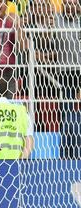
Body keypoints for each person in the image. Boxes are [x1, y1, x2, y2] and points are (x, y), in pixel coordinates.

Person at [0, 76, 34, 159]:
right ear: (8, 91)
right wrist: (22, 160)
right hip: (15, 163)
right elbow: (29, 140)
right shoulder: (21, 111)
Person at [55, 0, 81, 159]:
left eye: (74, 3)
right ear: (63, 5)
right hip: (64, 73)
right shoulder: (56, 19)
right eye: (67, 3)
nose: (70, 6)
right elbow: (46, 39)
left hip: (80, 72)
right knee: (67, 114)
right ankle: (67, 155)